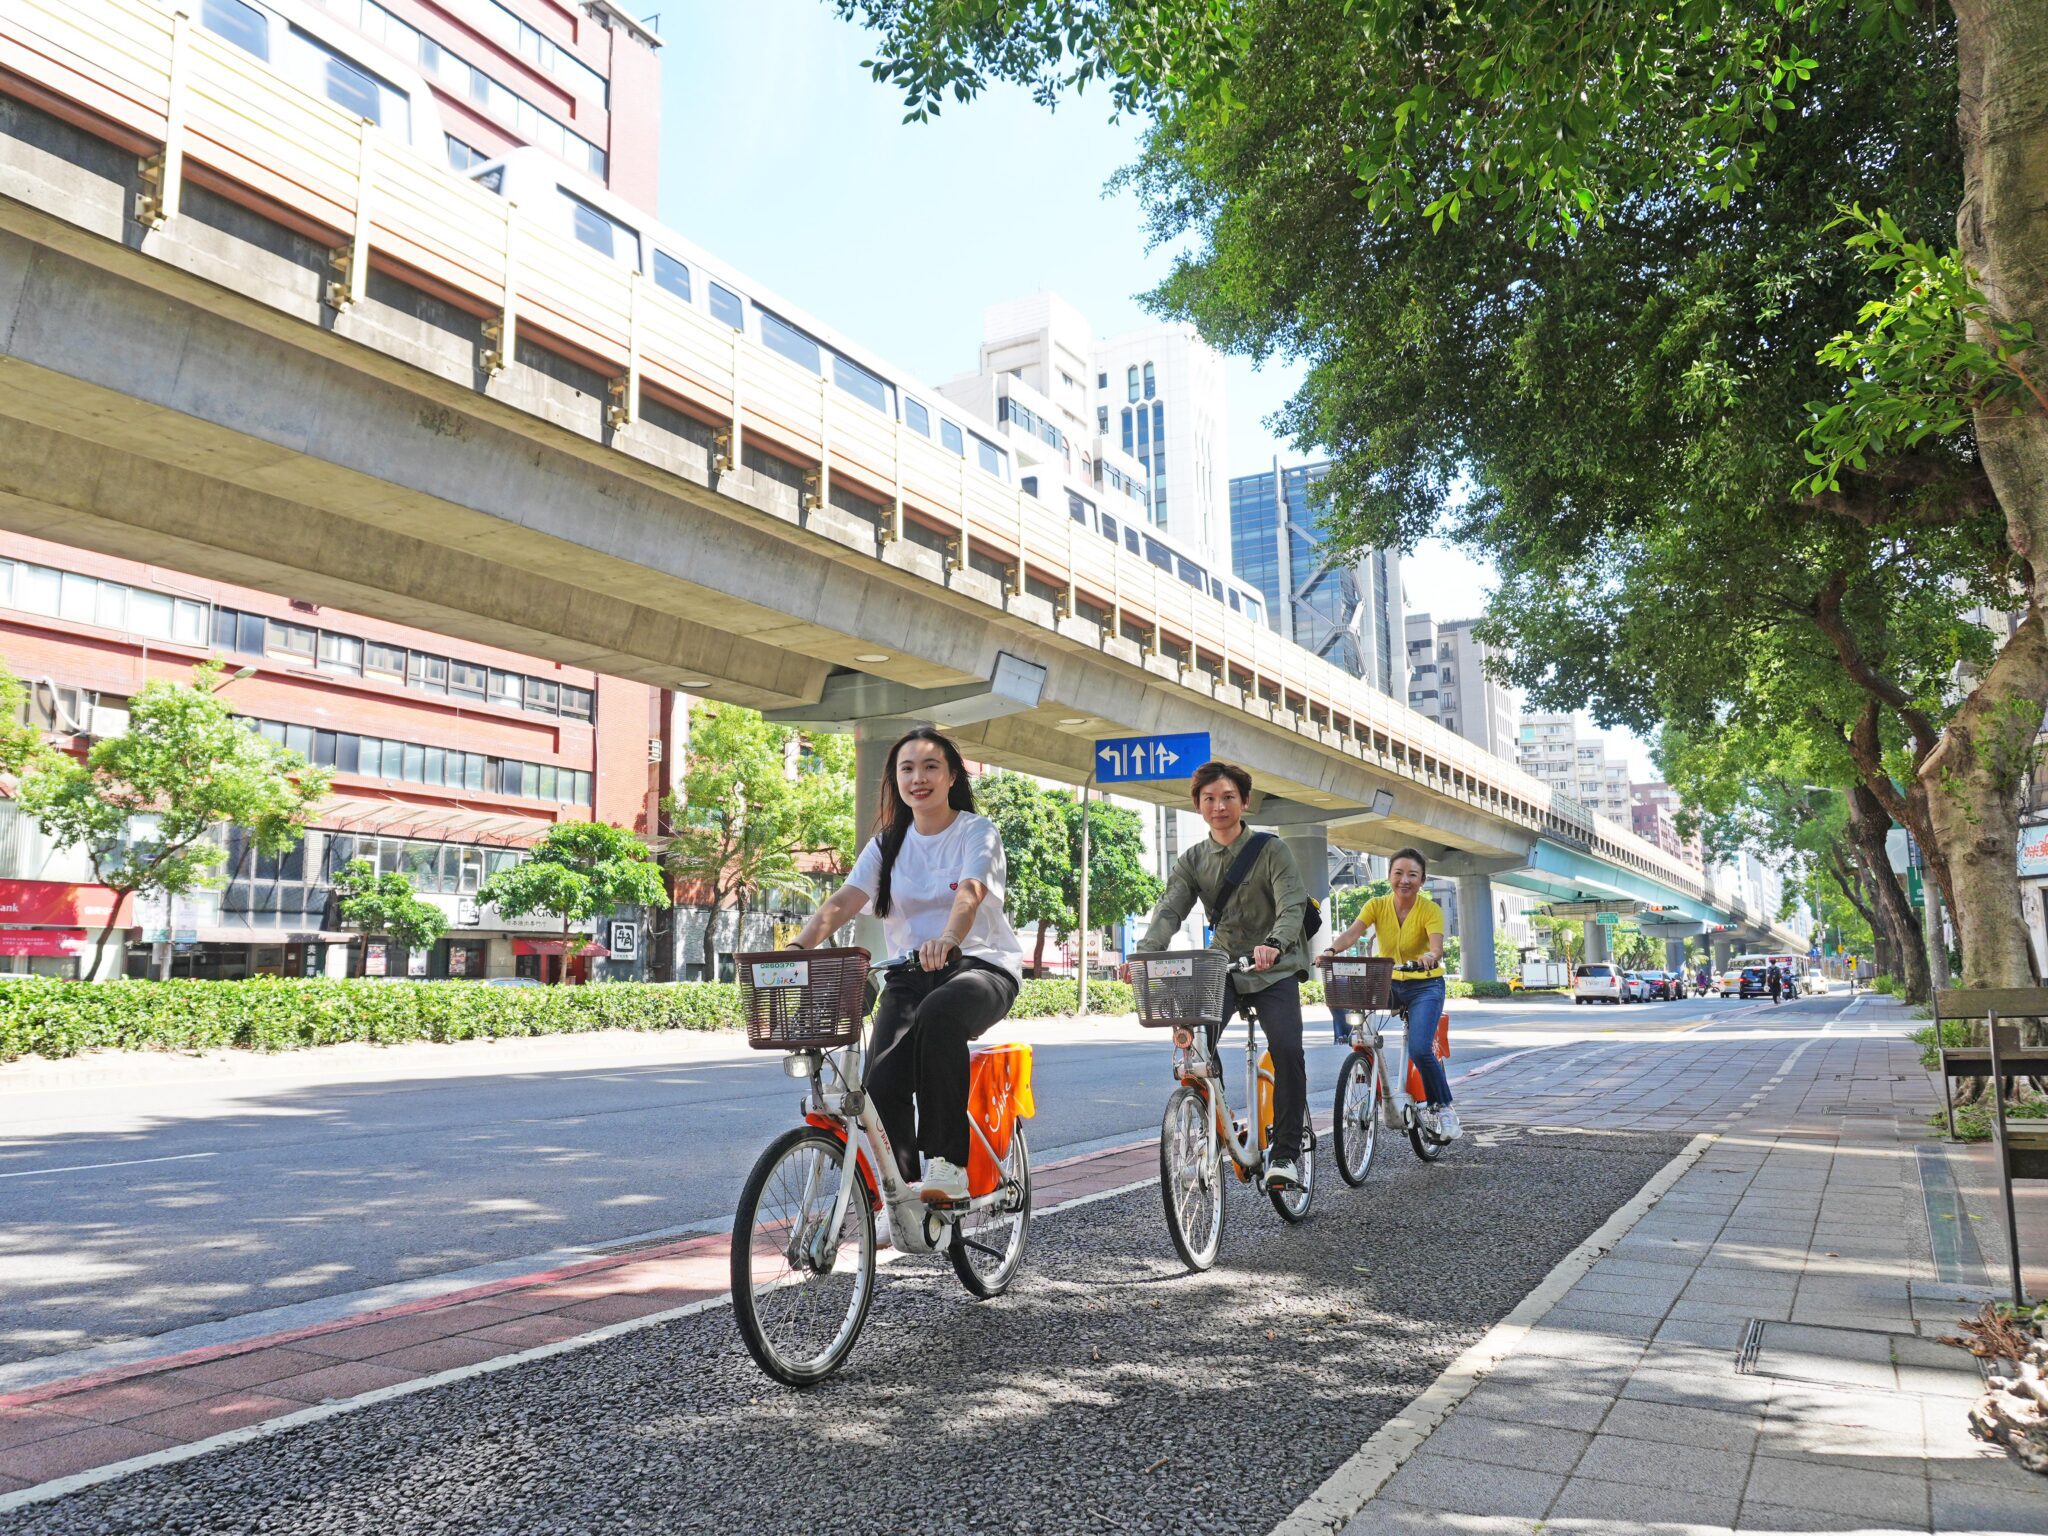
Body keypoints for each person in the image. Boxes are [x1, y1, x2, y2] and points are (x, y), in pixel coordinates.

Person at [787, 727, 1022, 1204]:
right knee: (882, 1078)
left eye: (931, 767)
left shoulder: (977, 832)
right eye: (907, 769)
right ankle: (903, 1187)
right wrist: (799, 945)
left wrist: (950, 939)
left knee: (940, 1013)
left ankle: (948, 1165)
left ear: (952, 775)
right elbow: (845, 900)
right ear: (895, 780)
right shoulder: (887, 845)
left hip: (981, 967)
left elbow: (971, 893)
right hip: (910, 972)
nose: (919, 778)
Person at [1128, 761, 1313, 1190]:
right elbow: (1170, 910)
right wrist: (1143, 956)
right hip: (1224, 965)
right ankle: (1222, 1120)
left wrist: (1276, 944)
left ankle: (1285, 1153)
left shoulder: (1273, 851)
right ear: (1198, 806)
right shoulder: (1193, 859)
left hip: (1274, 966)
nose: (1219, 806)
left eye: (1228, 797)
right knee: (1199, 1043)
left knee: (1286, 1048)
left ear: (1244, 802)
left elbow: (1292, 906)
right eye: (1209, 799)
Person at [1319, 848, 1460, 1141]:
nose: (1404, 880)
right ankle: (1357, 1049)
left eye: (1412, 875)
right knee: (1342, 992)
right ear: (1389, 876)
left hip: (1425, 985)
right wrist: (1332, 950)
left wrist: (1430, 956)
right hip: (1389, 982)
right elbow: (1353, 933)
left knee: (1421, 1049)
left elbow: (1437, 946)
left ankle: (1444, 1108)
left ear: (1422, 880)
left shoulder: (1430, 909)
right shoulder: (1377, 905)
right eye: (1399, 873)